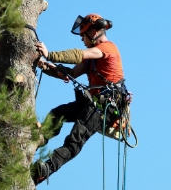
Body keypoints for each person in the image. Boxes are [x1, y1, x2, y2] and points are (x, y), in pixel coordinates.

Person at [32, 13, 125, 185]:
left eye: (83, 35)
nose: (82, 39)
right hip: (94, 102)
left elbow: (77, 55)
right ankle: (37, 139)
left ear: (94, 32)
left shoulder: (107, 48)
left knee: (75, 139)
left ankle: (47, 169)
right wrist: (47, 67)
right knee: (57, 113)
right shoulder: (92, 59)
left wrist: (49, 54)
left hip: (106, 105)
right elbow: (72, 73)